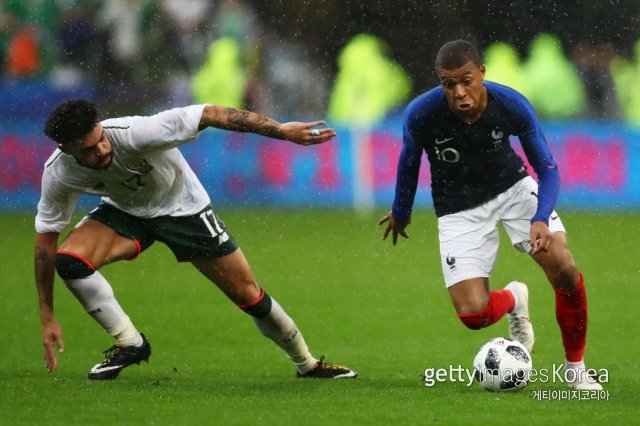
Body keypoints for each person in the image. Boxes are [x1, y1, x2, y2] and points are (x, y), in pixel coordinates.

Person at [36, 99, 358, 380]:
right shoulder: (59, 173)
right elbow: (45, 247)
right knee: (69, 261)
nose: (102, 150)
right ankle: (130, 343)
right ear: (66, 149)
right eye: (88, 150)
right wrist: (47, 315)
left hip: (183, 208)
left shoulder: (136, 132)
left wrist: (281, 131)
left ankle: (307, 364)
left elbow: (211, 114)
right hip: (126, 213)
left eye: (101, 140)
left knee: (250, 297)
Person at [378, 40, 601, 390]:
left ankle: (575, 369)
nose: (459, 93)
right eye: (449, 84)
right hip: (458, 208)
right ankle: (514, 298)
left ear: (482, 73)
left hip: (513, 190)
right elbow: (408, 162)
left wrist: (540, 217)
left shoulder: (511, 105)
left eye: (467, 80)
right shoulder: (421, 113)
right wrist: (401, 211)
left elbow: (548, 169)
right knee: (473, 315)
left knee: (565, 267)